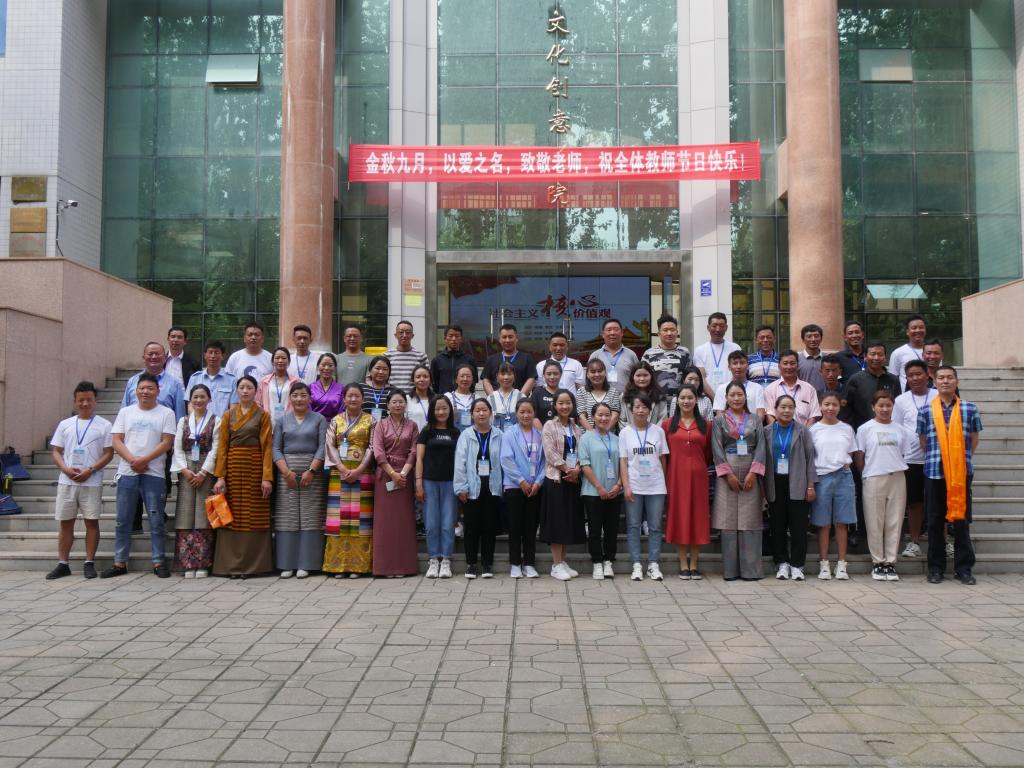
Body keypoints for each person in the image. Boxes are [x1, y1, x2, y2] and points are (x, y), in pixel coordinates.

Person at [103, 373, 177, 579]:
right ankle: (120, 562)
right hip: (127, 472)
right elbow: (116, 440)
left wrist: (144, 460)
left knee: (156, 520)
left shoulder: (166, 413)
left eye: (150, 388)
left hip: (154, 473)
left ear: (158, 391)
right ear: (136, 391)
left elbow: (167, 442)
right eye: (142, 388)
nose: (145, 392)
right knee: (123, 520)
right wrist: (132, 460)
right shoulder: (126, 412)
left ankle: (158, 561)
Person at [917, 365, 982, 586]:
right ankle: (936, 568)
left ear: (957, 382)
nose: (945, 381)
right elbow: (923, 441)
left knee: (961, 521)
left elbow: (974, 439)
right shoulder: (925, 410)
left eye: (950, 378)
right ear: (934, 382)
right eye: (941, 378)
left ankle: (964, 569)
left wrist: (958, 461)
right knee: (935, 521)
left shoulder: (970, 409)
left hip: (961, 473)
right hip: (934, 471)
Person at [47, 382, 114, 580]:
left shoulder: (105, 425)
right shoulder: (65, 424)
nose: (85, 403)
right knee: (65, 523)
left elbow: (109, 453)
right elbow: (56, 451)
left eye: (89, 400)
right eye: (81, 400)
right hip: (67, 481)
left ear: (95, 400)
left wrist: (91, 470)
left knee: (91, 522)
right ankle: (63, 563)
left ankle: (89, 562)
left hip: (91, 481)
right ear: (75, 401)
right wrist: (65, 468)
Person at [210, 376, 274, 577]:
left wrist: (267, 477)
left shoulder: (263, 415)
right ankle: (231, 566)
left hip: (255, 468)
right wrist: (220, 476)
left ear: (256, 391)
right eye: (242, 387)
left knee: (254, 515)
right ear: (236, 391)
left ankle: (253, 565)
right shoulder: (228, 415)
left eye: (249, 388)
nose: (245, 391)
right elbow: (222, 447)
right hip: (233, 469)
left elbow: (267, 447)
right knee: (232, 516)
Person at [854, 391, 915, 582]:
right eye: (881, 405)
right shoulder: (865, 429)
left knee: (894, 521)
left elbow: (902, 454)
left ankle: (890, 562)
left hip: (897, 477)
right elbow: (859, 456)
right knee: (874, 521)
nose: (885, 409)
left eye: (888, 405)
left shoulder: (901, 430)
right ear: (873, 407)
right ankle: (878, 562)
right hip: (873, 477)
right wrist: (866, 474)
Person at [711, 382, 767, 581]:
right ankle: (730, 571)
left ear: (745, 397)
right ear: (726, 398)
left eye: (739, 394)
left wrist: (754, 473)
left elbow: (761, 447)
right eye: (732, 395)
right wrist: (728, 474)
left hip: (751, 468)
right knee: (728, 520)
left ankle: (751, 571)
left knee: (750, 520)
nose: (736, 398)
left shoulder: (755, 419)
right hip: (728, 470)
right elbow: (716, 448)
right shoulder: (719, 420)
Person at [272, 382, 328, 578]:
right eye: (295, 395)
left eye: (303, 395)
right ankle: (287, 563)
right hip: (286, 473)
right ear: (290, 398)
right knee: (287, 517)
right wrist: (286, 472)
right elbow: (275, 449)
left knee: (310, 516)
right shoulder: (282, 420)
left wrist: (311, 470)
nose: (299, 399)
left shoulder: (319, 419)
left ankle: (307, 563)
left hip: (312, 473)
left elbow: (322, 447)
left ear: (310, 398)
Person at [762, 395, 817, 581]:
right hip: (774, 482)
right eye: (783, 407)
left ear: (794, 410)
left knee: (798, 527)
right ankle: (782, 563)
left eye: (790, 407)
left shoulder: (803, 431)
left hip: (798, 482)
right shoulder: (767, 431)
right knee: (777, 526)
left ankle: (797, 565)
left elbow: (810, 459)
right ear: (775, 409)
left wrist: (810, 485)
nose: (786, 411)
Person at [324, 386, 375, 577]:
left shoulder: (371, 420)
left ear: (363, 399)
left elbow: (372, 446)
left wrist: (360, 469)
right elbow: (330, 445)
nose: (353, 399)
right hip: (340, 473)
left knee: (361, 518)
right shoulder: (336, 420)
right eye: (350, 396)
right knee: (339, 517)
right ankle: (338, 565)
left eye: (357, 396)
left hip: (363, 472)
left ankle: (358, 566)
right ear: (344, 399)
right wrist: (342, 467)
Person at [170, 384, 220, 578]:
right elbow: (177, 447)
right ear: (190, 400)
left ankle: (203, 563)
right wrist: (184, 469)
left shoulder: (216, 421)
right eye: (195, 397)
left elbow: (216, 448)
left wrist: (204, 472)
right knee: (185, 515)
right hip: (187, 470)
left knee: (203, 515)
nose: (198, 400)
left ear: (209, 399)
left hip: (206, 470)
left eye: (202, 397)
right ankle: (187, 563)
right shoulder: (183, 421)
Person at [619, 394, 669, 581]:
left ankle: (653, 564)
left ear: (650, 410)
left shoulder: (658, 431)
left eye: (644, 407)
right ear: (631, 409)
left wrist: (662, 481)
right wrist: (626, 486)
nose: (640, 410)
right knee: (633, 526)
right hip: (634, 485)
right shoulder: (625, 433)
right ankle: (636, 564)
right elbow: (623, 462)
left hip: (656, 486)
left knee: (655, 527)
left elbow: (663, 459)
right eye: (637, 407)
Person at [663, 385, 711, 580]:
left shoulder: (706, 425)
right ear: (677, 401)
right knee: (680, 517)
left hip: (699, 478)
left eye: (690, 397)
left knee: (697, 518)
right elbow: (664, 454)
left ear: (696, 400)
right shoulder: (667, 425)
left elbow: (708, 453)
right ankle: (683, 564)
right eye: (682, 397)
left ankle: (694, 564)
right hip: (676, 477)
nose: (686, 401)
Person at [371, 390, 419, 577]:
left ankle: (404, 566)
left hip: (405, 475)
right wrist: (392, 473)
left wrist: (403, 474)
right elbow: (378, 451)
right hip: (385, 474)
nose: (398, 405)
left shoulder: (412, 425)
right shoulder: (380, 425)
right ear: (388, 405)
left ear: (405, 405)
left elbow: (414, 451)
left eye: (401, 402)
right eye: (394, 402)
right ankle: (385, 567)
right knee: (385, 522)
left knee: (403, 522)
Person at [809, 391, 857, 581]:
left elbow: (851, 452)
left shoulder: (846, 428)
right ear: (820, 406)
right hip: (822, 477)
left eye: (834, 405)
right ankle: (824, 563)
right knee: (823, 523)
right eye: (827, 404)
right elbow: (810, 457)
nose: (830, 408)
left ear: (839, 407)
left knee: (842, 522)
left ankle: (842, 563)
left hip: (843, 476)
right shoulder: (813, 429)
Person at [892, 360, 937, 559]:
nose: (915, 378)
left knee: (938, 502)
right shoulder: (901, 400)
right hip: (911, 459)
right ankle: (915, 542)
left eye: (919, 374)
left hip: (936, 458)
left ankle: (943, 542)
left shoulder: (938, 396)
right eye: (911, 375)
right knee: (914, 502)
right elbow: (896, 428)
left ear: (928, 375)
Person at [454, 399, 504, 579]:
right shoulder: (466, 435)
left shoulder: (499, 435)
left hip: (492, 486)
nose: (481, 414)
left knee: (489, 527)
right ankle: (471, 564)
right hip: (471, 486)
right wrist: (461, 487)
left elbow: (504, 461)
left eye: (484, 410)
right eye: (477, 410)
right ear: (472, 414)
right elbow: (460, 463)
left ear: (490, 413)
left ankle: (487, 564)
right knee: (471, 527)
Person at [540, 389, 586, 580]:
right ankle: (556, 564)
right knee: (557, 523)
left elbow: (582, 451)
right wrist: (568, 469)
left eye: (568, 403)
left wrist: (577, 469)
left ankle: (563, 561)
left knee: (568, 522)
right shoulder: (549, 425)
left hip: (573, 480)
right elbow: (550, 453)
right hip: (556, 480)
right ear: (555, 405)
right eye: (561, 403)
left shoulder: (576, 428)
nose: (565, 406)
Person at [500, 398, 545, 579]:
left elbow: (545, 462)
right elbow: (506, 459)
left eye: (529, 412)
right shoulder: (509, 434)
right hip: (514, 487)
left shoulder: (540, 435)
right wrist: (521, 481)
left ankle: (529, 563)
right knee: (515, 527)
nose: (526, 415)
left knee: (530, 527)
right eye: (522, 412)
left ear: (534, 413)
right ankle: (515, 564)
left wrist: (538, 482)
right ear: (516, 414)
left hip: (535, 488)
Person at [416, 396, 460, 579]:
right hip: (429, 481)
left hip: (450, 483)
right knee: (432, 523)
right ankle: (433, 559)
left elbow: (460, 459)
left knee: (448, 523)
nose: (441, 412)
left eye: (444, 408)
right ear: (432, 411)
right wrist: (418, 482)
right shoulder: (426, 431)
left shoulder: (455, 432)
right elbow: (419, 458)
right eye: (437, 409)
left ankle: (446, 560)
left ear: (450, 410)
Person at [579, 401, 621, 579]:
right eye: (600, 415)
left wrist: (618, 485)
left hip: (614, 492)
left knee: (611, 529)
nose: (604, 418)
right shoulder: (586, 438)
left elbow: (624, 464)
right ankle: (597, 562)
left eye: (607, 415)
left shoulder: (617, 439)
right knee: (595, 529)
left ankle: (608, 561)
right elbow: (585, 464)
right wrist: (599, 487)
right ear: (593, 417)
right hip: (593, 492)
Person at [843, 341, 901, 430]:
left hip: (888, 428)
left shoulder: (894, 380)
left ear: (885, 358)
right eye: (873, 354)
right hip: (862, 429)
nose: (876, 358)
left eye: (880, 354)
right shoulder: (855, 380)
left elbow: (898, 407)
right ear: (865, 357)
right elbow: (846, 407)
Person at [122, 341, 186, 420]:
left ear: (165, 358)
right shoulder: (132, 381)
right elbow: (124, 411)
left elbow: (180, 416)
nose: (154, 357)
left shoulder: (174, 383)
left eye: (157, 354)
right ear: (144, 358)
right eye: (150, 354)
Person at [763, 350, 822, 426]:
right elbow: (769, 415)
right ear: (779, 366)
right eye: (785, 363)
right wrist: (779, 432)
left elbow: (813, 416)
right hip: (778, 432)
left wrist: (804, 432)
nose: (789, 367)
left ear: (798, 366)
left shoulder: (809, 389)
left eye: (792, 363)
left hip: (804, 431)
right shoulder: (770, 389)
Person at [642, 313, 691, 401]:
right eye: (665, 330)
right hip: (656, 401)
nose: (669, 333)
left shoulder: (685, 353)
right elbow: (643, 378)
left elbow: (690, 377)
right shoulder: (649, 354)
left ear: (677, 332)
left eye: (672, 330)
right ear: (659, 334)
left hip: (680, 402)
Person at [693, 312, 741, 398]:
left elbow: (738, 374)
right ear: (708, 327)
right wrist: (715, 398)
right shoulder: (699, 351)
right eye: (714, 326)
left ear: (726, 328)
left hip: (732, 398)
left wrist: (728, 396)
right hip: (707, 398)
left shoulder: (735, 348)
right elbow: (701, 377)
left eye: (721, 326)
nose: (718, 329)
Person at [186, 340, 238, 417]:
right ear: (205, 355)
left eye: (216, 352)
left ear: (223, 356)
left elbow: (233, 407)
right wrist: (196, 421)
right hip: (199, 423)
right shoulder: (195, 378)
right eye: (210, 352)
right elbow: (190, 404)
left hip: (223, 423)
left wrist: (223, 423)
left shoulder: (232, 380)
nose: (213, 356)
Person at [482, 323, 536, 395]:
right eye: (504, 337)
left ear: (516, 338)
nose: (507, 340)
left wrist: (519, 398)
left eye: (510, 337)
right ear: (499, 339)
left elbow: (531, 379)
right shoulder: (491, 359)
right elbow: (486, 380)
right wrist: (493, 398)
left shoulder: (527, 358)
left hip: (519, 401)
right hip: (496, 400)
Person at [712, 350, 766, 420]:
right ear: (729, 367)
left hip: (752, 426)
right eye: (735, 363)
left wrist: (752, 425)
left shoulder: (758, 388)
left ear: (747, 366)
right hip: (728, 426)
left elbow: (760, 413)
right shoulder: (721, 388)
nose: (738, 366)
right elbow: (719, 413)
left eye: (742, 363)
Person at [589, 318, 639, 392]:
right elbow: (588, 380)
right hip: (601, 398)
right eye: (609, 330)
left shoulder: (631, 355)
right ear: (603, 334)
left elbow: (638, 377)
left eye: (616, 329)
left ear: (622, 333)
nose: (612, 333)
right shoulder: (595, 355)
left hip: (625, 397)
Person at [257, 347, 300, 426]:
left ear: (289, 361)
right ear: (272, 361)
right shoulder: (264, 381)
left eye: (283, 358)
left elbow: (299, 403)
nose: (280, 361)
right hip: (268, 423)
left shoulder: (295, 382)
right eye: (277, 358)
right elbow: (258, 403)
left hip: (289, 424)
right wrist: (263, 418)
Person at [575, 358, 622, 431]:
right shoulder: (581, 392)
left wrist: (604, 432)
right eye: (593, 372)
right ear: (587, 375)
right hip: (587, 435)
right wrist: (593, 434)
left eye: (600, 371)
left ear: (605, 373)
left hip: (609, 434)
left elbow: (615, 415)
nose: (597, 374)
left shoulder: (613, 392)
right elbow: (581, 416)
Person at [620, 361, 670, 428]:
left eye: (645, 375)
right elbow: (622, 420)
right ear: (632, 377)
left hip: (654, 433)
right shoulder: (624, 396)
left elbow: (663, 419)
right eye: (638, 375)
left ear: (651, 376)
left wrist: (653, 432)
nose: (642, 379)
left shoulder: (659, 396)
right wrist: (632, 432)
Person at [431, 324, 477, 395]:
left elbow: (474, 381)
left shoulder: (469, 359)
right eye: (450, 336)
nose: (454, 339)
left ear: (461, 339)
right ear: (445, 338)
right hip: (444, 398)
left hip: (464, 398)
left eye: (457, 336)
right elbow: (434, 383)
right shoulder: (437, 360)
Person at [384, 320, 429, 391]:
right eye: (401, 332)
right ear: (395, 335)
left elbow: (427, 380)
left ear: (412, 336)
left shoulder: (421, 356)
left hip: (413, 397)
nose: (404, 335)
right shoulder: (387, 356)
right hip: (392, 396)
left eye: (408, 332)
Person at [887, 314, 927, 390]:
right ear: (907, 332)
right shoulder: (898, 353)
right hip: (906, 395)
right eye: (914, 328)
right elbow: (892, 379)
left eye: (921, 327)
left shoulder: (932, 353)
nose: (918, 330)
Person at [487, 362, 522, 432]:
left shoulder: (521, 396)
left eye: (509, 374)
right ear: (497, 376)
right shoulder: (491, 398)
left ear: (514, 376)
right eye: (503, 374)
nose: (506, 377)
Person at [359, 355, 395, 420]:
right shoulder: (360, 388)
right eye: (377, 368)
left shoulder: (394, 391)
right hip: (362, 425)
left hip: (386, 426)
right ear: (370, 370)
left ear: (389, 372)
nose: (381, 372)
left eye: (385, 369)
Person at [309, 353, 344, 420]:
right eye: (323, 365)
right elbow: (308, 410)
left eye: (330, 365)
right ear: (318, 367)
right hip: (314, 424)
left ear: (335, 368)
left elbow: (342, 411)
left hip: (334, 424)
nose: (326, 368)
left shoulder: (341, 388)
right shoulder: (310, 387)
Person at [445, 362, 477, 432]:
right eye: (462, 376)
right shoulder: (447, 398)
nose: (465, 379)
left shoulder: (478, 399)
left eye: (468, 376)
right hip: (453, 436)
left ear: (473, 380)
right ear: (456, 379)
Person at [531, 359, 563, 426]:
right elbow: (533, 416)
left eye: (555, 374)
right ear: (544, 375)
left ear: (561, 374)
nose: (552, 377)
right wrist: (543, 431)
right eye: (548, 374)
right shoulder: (537, 393)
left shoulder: (565, 394)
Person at [797, 324, 826, 391]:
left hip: (824, 396)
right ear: (803, 339)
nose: (813, 339)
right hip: (803, 396)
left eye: (816, 336)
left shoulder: (828, 358)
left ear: (821, 338)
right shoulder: (797, 359)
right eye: (809, 336)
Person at [407, 365, 434, 432]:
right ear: (413, 380)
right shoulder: (407, 399)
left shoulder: (436, 400)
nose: (422, 379)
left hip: (433, 437)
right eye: (418, 377)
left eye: (425, 376)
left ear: (430, 379)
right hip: (412, 437)